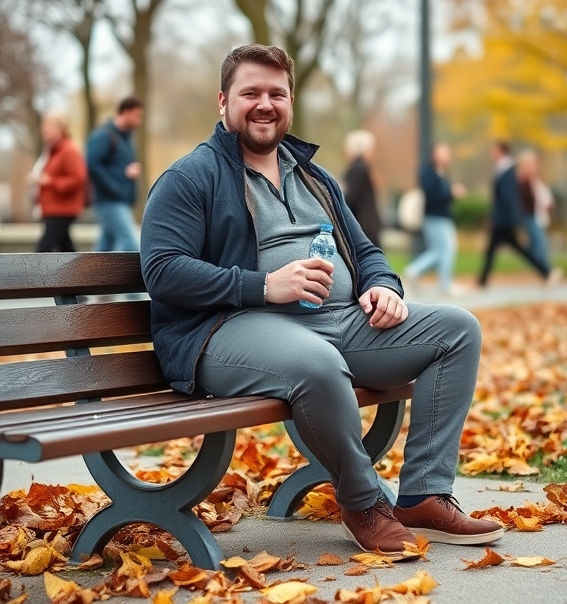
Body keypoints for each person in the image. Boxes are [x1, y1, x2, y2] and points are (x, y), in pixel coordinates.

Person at [140, 44, 503, 559]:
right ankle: (363, 502)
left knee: (457, 329)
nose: (265, 104)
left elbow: (366, 251)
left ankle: (424, 496)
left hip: (337, 321)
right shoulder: (191, 177)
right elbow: (163, 271)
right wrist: (264, 285)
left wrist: (383, 287)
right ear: (223, 101)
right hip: (229, 329)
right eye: (250, 93)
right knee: (318, 363)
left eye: (277, 93)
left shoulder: (312, 175)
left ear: (290, 103)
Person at [478, 141, 561, 287]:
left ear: (500, 151)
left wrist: (513, 218)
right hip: (503, 218)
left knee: (518, 248)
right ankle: (546, 271)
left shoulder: (508, 169)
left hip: (505, 219)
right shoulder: (506, 170)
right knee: (505, 248)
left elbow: (508, 196)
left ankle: (546, 271)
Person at [403, 142, 466, 294]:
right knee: (444, 250)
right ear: (434, 154)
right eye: (442, 152)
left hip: (441, 217)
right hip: (435, 218)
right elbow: (432, 195)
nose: (446, 155)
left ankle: (443, 282)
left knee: (441, 251)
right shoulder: (428, 173)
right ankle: (415, 271)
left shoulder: (441, 173)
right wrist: (452, 193)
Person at [86, 96, 144, 251]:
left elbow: (114, 167)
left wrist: (129, 172)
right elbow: (92, 164)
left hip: (119, 200)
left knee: (105, 247)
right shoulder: (104, 135)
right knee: (132, 243)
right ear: (125, 112)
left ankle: (90, 275)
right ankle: (134, 276)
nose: (139, 121)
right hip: (110, 201)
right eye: (137, 116)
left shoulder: (125, 139)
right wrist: (116, 187)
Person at [32, 111, 87, 252]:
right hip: (53, 208)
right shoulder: (52, 151)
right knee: (66, 249)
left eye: (48, 125)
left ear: (60, 129)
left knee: (43, 250)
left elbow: (78, 178)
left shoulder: (69, 151)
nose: (44, 129)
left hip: (62, 209)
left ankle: (29, 274)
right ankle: (80, 274)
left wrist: (50, 181)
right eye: (43, 125)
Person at [342, 129, 382, 247]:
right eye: (372, 150)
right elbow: (350, 199)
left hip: (364, 226)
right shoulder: (359, 170)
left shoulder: (358, 169)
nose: (374, 154)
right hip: (364, 228)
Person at [516, 149, 554, 271]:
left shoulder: (536, 179)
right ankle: (544, 270)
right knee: (540, 243)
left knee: (535, 244)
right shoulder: (523, 180)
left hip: (538, 215)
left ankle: (540, 268)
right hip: (529, 215)